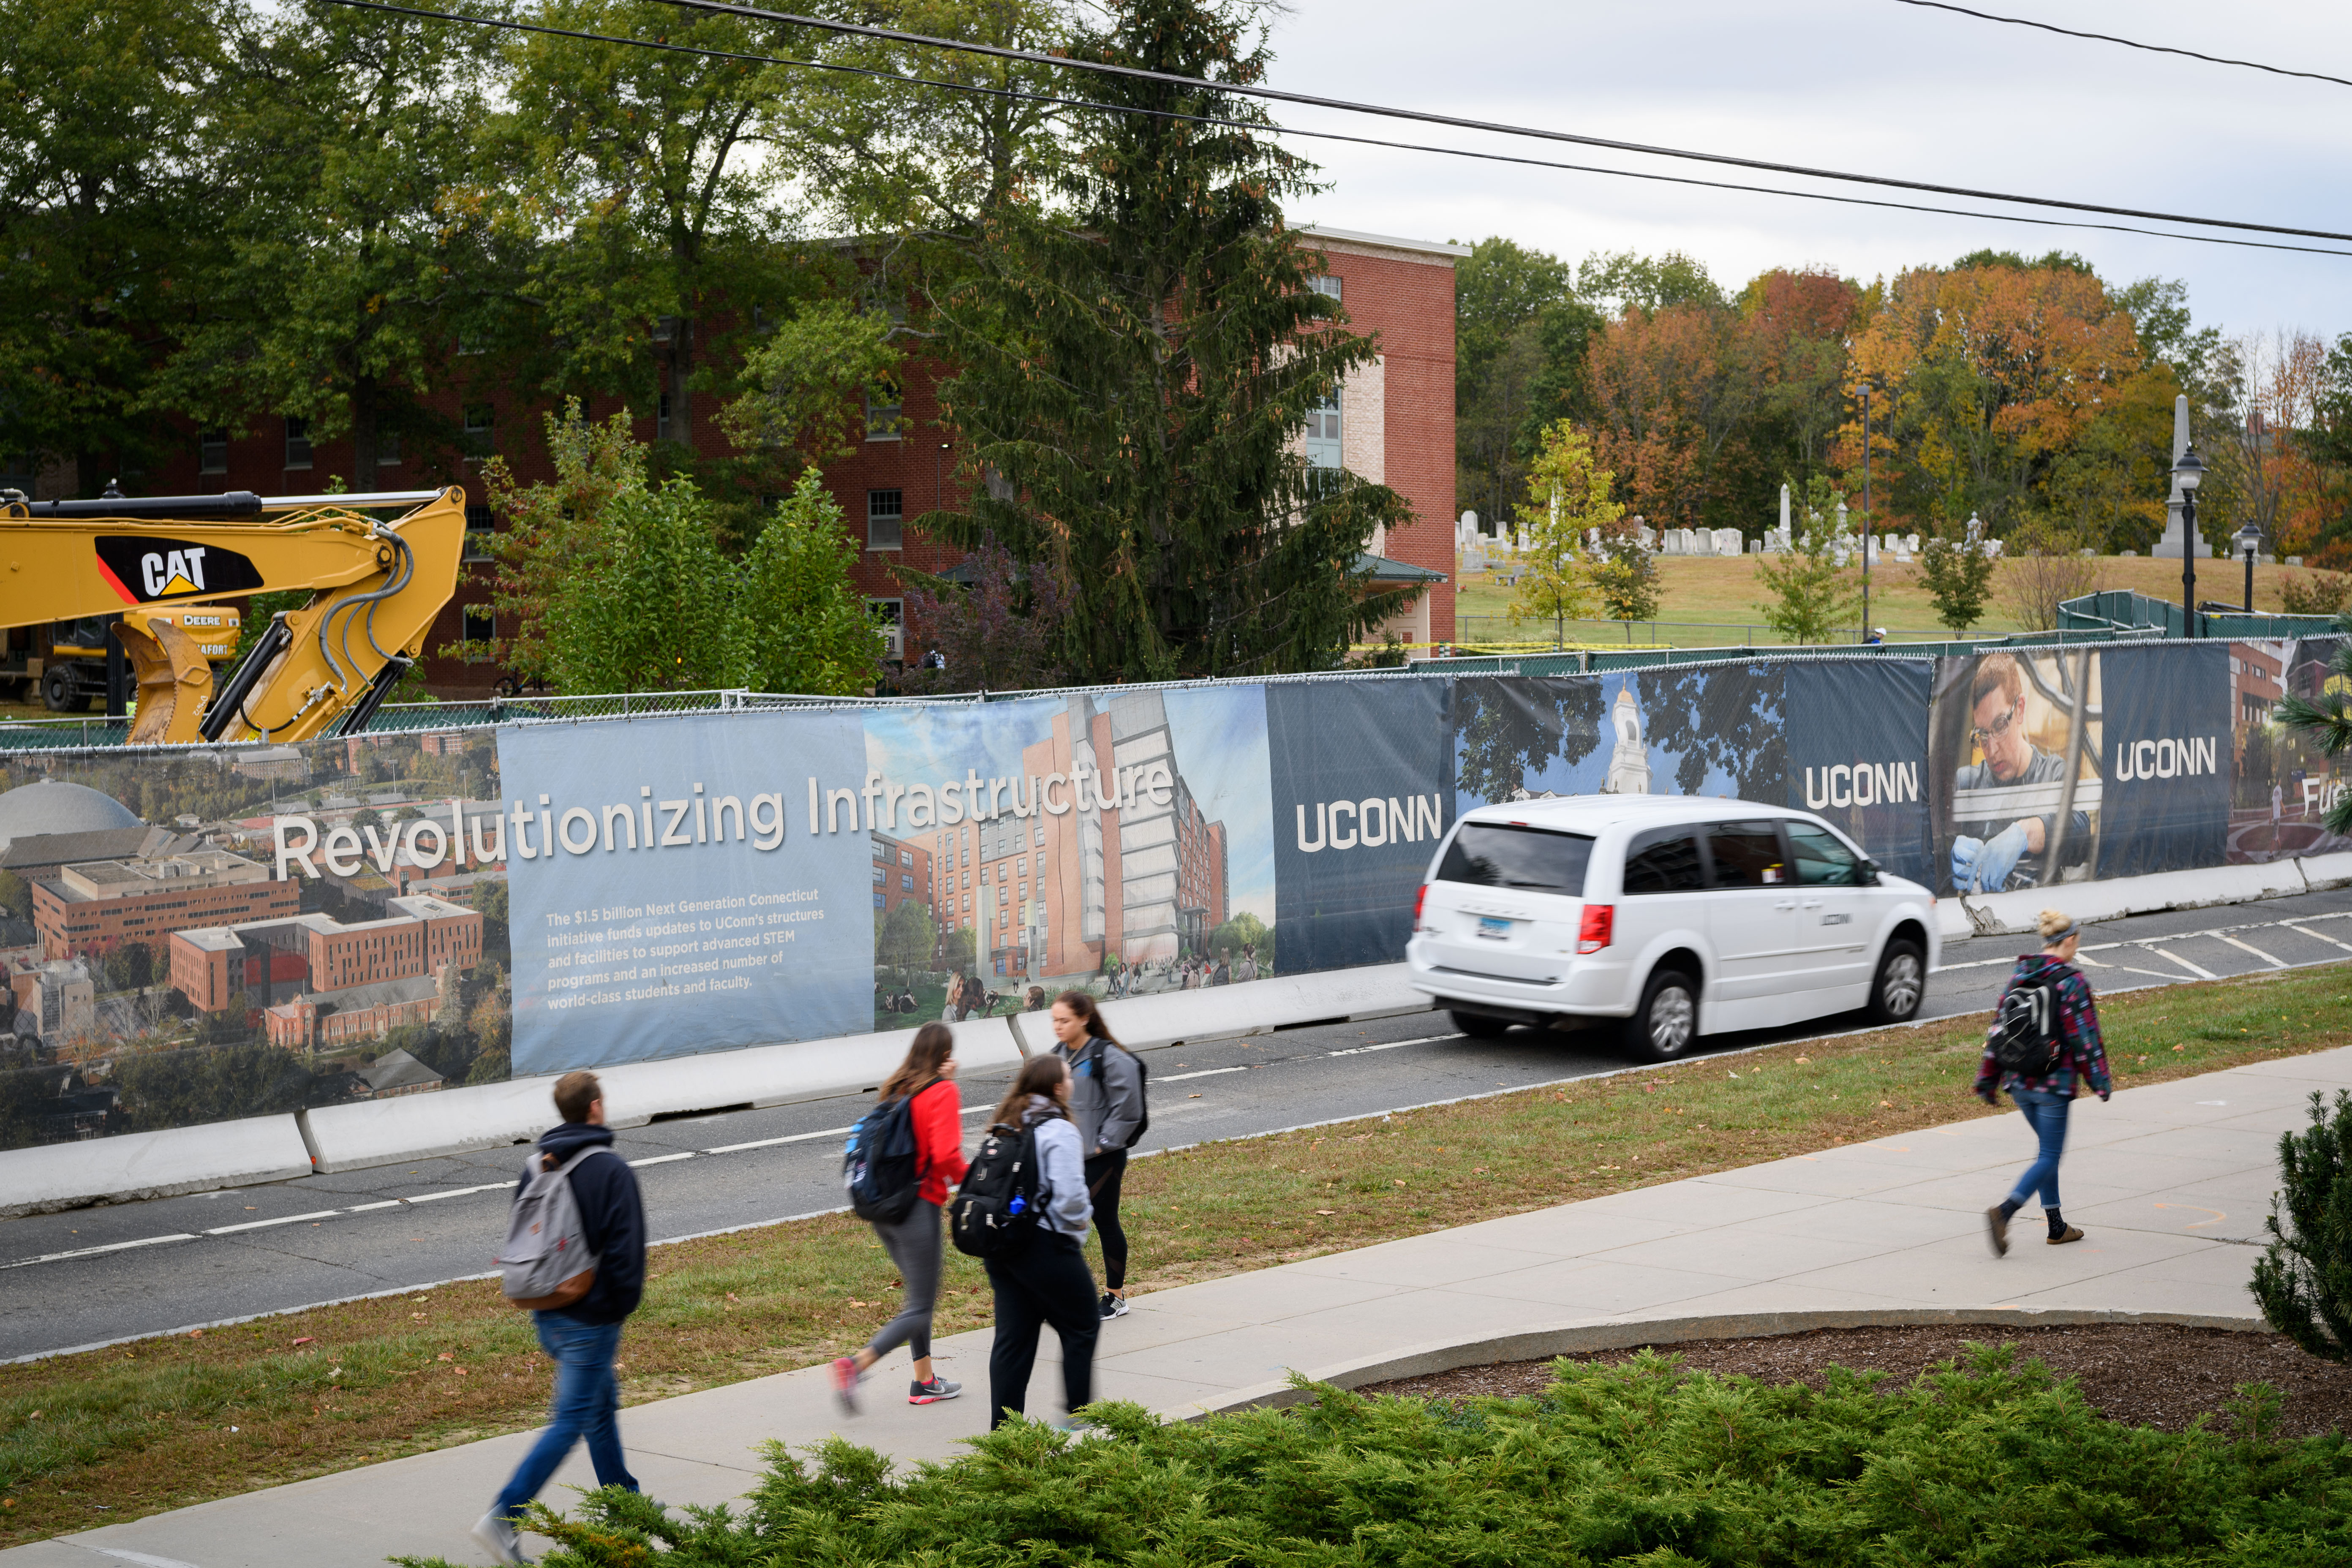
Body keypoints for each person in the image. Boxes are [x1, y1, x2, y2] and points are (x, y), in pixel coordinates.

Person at [474, 1072, 647, 1565]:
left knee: (598, 1406)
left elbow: (527, 1242)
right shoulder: (610, 1169)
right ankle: (504, 1517)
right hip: (591, 1323)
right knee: (571, 1419)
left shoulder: (537, 1165)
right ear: (595, 1107)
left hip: (547, 1311)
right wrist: (615, 1309)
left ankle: (627, 1510)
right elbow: (626, 1257)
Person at [834, 1023, 970, 1412]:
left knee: (917, 1299)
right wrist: (974, 1181)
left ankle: (924, 1381)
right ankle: (855, 1364)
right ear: (946, 1056)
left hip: (883, 1208)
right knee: (921, 1305)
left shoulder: (899, 1088)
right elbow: (945, 1156)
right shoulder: (942, 1091)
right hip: (917, 1206)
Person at [1976, 909, 2112, 1255]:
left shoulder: (2020, 975)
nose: (2076, 949)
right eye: (2076, 943)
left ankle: (2056, 1227)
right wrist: (2100, 1081)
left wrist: (1988, 1079)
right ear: (2068, 941)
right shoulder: (2071, 982)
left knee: (2045, 1154)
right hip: (2053, 1085)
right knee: (2051, 1155)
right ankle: (2004, 1212)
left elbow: (1997, 1030)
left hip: (2019, 1082)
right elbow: (2085, 1038)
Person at [980, 1053, 1100, 1429]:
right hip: (1045, 1246)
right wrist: (1080, 1229)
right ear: (1056, 1087)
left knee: (1013, 1342)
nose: (1072, 1080)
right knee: (1082, 1325)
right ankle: (1078, 1418)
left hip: (1001, 1246)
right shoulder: (1060, 1129)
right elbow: (1069, 1197)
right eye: (1068, 1075)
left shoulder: (1007, 1122)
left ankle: (1004, 1433)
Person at [1950, 652, 2091, 894]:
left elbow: (2080, 832)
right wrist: (1950, 859)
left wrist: (2024, 833)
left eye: (2000, 725)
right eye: (1982, 734)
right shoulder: (1967, 784)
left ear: (2021, 710)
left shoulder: (2053, 774)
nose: (1991, 750)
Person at [1048, 990, 1144, 1320]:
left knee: (1102, 1221)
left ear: (1084, 1019)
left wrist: (1104, 1142)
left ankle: (1115, 1297)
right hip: (1066, 1157)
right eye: (1054, 1021)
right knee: (1058, 1221)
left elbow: (1130, 1107)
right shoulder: (1057, 1056)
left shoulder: (1107, 1056)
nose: (1058, 1027)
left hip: (1101, 1157)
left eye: (1065, 1020)